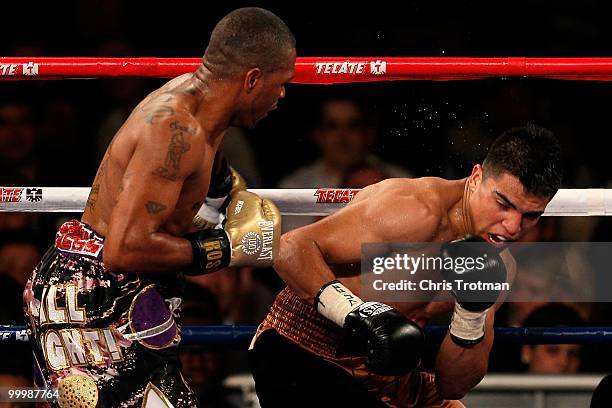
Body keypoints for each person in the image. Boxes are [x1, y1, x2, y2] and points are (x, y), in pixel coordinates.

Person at [23, 7, 294, 407]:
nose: (283, 95)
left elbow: (192, 180)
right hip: (94, 296)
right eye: (281, 82)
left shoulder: (202, 112)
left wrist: (230, 193)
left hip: (122, 292)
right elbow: (125, 248)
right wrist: (225, 249)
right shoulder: (174, 128)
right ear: (252, 79)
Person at [250, 124, 562, 407]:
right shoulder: (412, 210)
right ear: (477, 177)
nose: (512, 226)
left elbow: (453, 385)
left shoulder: (501, 269)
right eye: (503, 204)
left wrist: (472, 312)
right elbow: (290, 248)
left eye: (530, 216)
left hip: (391, 376)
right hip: (303, 348)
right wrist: (358, 316)